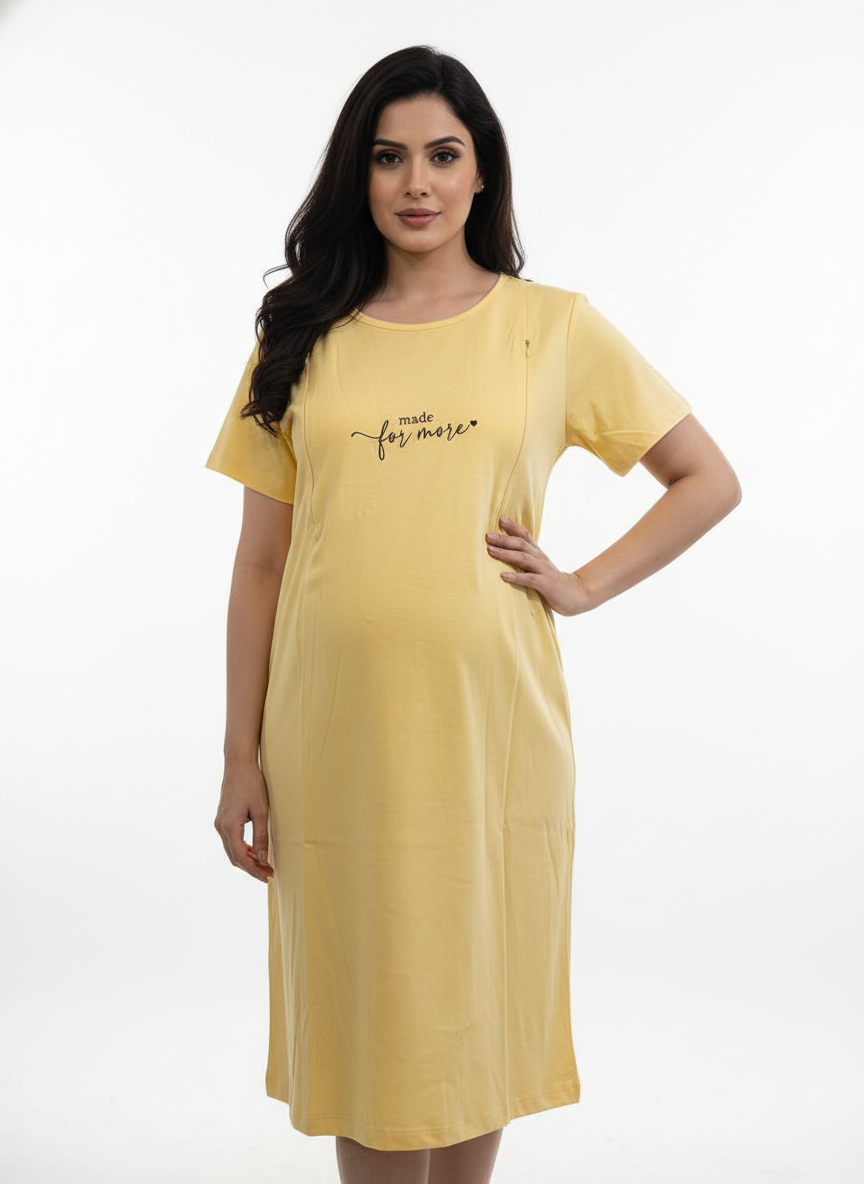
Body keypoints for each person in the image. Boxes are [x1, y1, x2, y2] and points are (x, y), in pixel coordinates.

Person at [205, 44, 741, 1184]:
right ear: (357, 174)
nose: (417, 183)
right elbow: (260, 563)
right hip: (333, 737)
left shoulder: (552, 326)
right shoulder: (299, 335)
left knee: (471, 996)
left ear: (482, 170)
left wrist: (582, 583)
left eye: (443, 155)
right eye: (388, 157)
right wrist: (238, 757)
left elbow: (707, 478)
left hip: (491, 730)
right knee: (368, 1009)